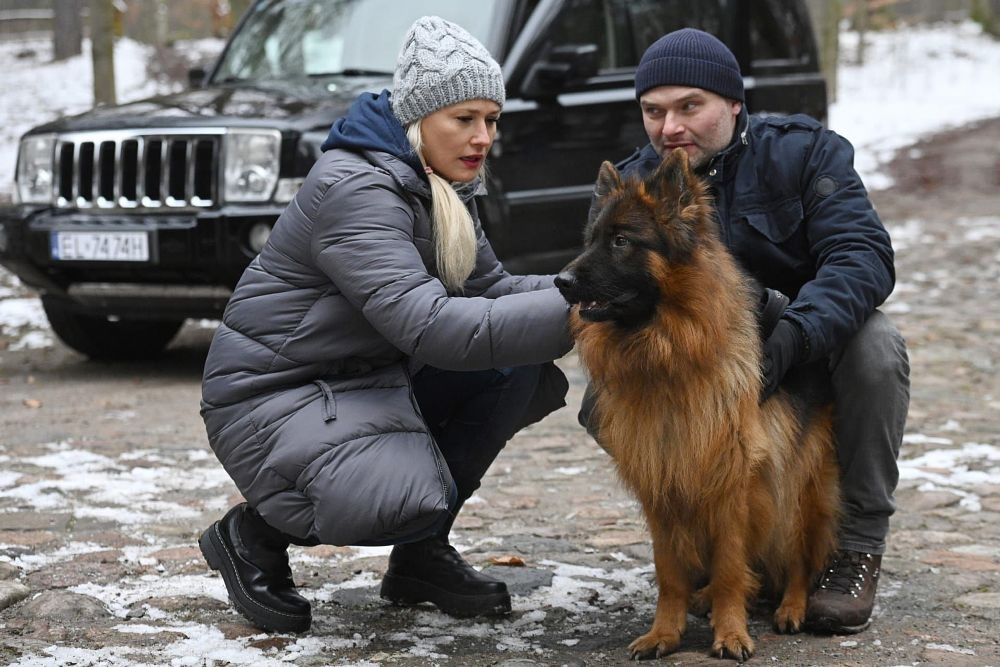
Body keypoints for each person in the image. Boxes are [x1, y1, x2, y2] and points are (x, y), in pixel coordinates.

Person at [198, 16, 572, 634]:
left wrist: (595, 291)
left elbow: (493, 292)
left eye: (492, 120)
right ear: (418, 118)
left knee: (513, 364)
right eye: (465, 119)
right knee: (397, 496)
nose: (483, 137)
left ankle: (422, 558)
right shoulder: (358, 189)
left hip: (364, 379)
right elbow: (431, 327)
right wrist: (580, 314)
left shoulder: (438, 184)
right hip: (277, 395)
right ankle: (253, 533)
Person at [579, 28, 910, 634]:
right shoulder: (634, 184)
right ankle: (711, 541)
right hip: (698, 368)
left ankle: (854, 548)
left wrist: (795, 334)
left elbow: (861, 256)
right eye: (654, 111)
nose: (669, 127)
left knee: (877, 349)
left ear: (733, 103)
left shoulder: (805, 152)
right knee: (601, 406)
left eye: (689, 106)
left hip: (804, 353)